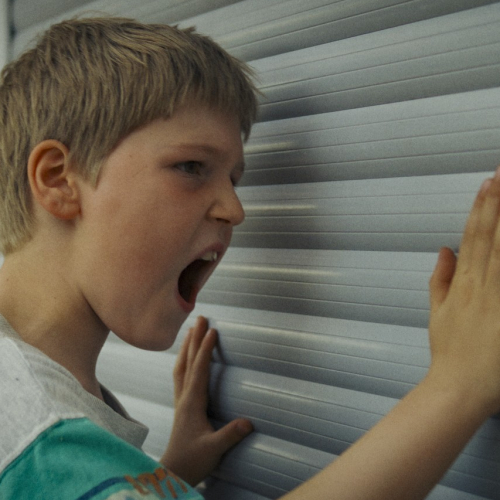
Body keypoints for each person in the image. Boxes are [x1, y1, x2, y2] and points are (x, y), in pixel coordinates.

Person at [0, 15, 498, 500]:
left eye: (234, 179)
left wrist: (162, 477)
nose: (235, 210)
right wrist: (457, 387)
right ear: (58, 180)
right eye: (191, 166)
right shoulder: (39, 430)